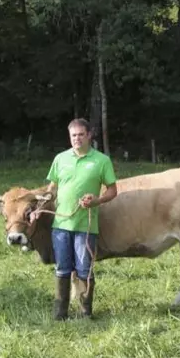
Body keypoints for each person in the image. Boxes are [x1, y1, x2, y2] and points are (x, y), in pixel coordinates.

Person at [34, 118, 118, 320]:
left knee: (83, 269)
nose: (77, 139)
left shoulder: (101, 161)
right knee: (62, 268)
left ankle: (85, 313)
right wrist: (41, 205)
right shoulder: (60, 159)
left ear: (89, 135)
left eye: (81, 134)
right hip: (61, 225)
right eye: (73, 135)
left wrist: (96, 201)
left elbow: (113, 191)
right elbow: (52, 188)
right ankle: (60, 313)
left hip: (85, 226)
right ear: (69, 137)